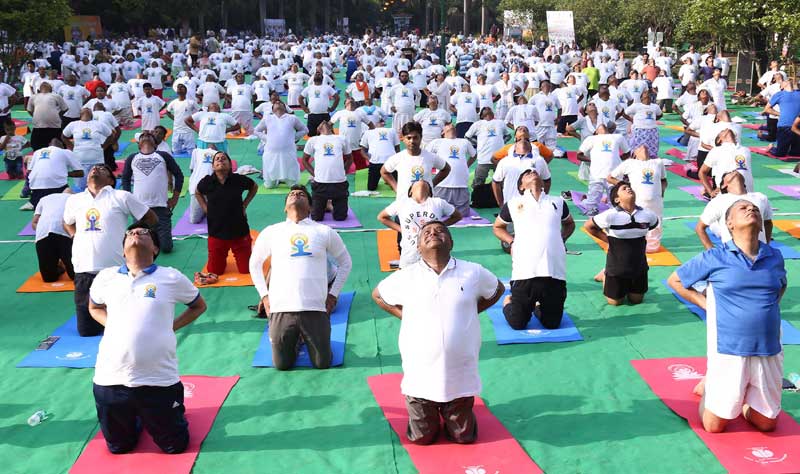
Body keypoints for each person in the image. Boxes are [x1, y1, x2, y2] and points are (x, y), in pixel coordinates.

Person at [371, 220, 504, 445]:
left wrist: (473, 309)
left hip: (459, 370)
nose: (433, 233)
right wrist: (404, 314)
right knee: (422, 439)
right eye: (427, 232)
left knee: (464, 438)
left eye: (440, 231)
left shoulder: (472, 271)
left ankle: (455, 414)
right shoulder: (407, 276)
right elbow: (377, 295)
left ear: (451, 242)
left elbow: (497, 289)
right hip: (420, 373)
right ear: (418, 246)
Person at [668, 199, 786, 433]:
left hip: (769, 347)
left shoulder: (774, 256)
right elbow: (676, 281)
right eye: (743, 208)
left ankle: (744, 402)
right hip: (730, 348)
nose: (751, 209)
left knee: (767, 425)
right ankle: (712, 386)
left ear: (761, 224)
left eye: (754, 209)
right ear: (729, 223)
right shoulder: (715, 256)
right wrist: (705, 304)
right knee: (714, 426)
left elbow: (780, 286)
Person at [88, 222, 207, 454]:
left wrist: (170, 326)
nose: (135, 234)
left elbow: (198, 306)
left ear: (154, 248)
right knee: (119, 447)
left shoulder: (170, 277)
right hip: (110, 381)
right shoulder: (106, 277)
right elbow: (94, 307)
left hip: (158, 380)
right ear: (122, 251)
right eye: (130, 233)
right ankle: (136, 415)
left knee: (175, 446)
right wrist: (112, 324)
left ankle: (157, 413)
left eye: (143, 233)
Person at [249, 185, 353, 370]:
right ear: (284, 208)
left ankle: (305, 336)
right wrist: (265, 296)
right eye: (291, 194)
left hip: (315, 308)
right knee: (282, 365)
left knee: (323, 363)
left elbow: (346, 262)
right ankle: (296, 337)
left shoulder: (323, 231)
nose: (296, 194)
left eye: (301, 194)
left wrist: (333, 294)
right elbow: (254, 263)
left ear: (310, 207)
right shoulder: (272, 231)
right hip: (281, 307)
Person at [63, 164, 157, 337]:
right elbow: (67, 222)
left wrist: (133, 236)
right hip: (84, 269)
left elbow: (150, 217)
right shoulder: (74, 200)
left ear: (111, 180)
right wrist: (74, 236)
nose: (96, 170)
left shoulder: (121, 196)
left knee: (128, 328)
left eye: (102, 169)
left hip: (115, 270)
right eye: (93, 168)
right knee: (87, 331)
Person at [493, 168, 575, 329]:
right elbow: (498, 227)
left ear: (543, 183)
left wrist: (561, 238)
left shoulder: (557, 202)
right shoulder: (514, 203)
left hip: (554, 271)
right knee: (518, 323)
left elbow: (569, 223)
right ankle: (508, 301)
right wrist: (512, 241)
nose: (532, 172)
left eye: (535, 172)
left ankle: (538, 306)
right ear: (521, 186)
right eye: (526, 174)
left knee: (552, 324)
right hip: (525, 272)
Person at [583, 182, 659, 305]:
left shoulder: (648, 214)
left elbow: (651, 226)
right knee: (615, 303)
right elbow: (588, 226)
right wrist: (607, 239)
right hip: (616, 268)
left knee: (636, 301)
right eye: (624, 189)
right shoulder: (610, 215)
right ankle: (605, 275)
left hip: (639, 266)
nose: (629, 189)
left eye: (630, 187)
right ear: (617, 199)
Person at [195, 151, 258, 276]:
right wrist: (205, 208)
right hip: (216, 233)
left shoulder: (238, 179)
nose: (220, 160)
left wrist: (244, 204)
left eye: (224, 159)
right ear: (213, 166)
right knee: (214, 272)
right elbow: (197, 192)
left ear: (230, 165)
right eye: (217, 159)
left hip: (239, 232)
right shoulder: (207, 182)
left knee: (246, 270)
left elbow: (254, 186)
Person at [121, 133, 184, 254]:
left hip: (160, 206)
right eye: (143, 136)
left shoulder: (163, 155)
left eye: (150, 136)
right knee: (138, 245)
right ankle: (151, 233)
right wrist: (128, 199)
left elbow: (179, 175)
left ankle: (156, 233)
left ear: (155, 145)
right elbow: (125, 179)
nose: (146, 136)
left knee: (166, 248)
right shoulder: (132, 157)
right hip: (140, 208)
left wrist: (175, 197)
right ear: (138, 145)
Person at [378, 180, 461, 268]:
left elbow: (457, 216)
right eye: (415, 183)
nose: (421, 181)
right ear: (410, 192)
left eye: (425, 182)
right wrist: (401, 229)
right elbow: (382, 217)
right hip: (410, 255)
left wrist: (440, 226)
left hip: (433, 254)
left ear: (430, 192)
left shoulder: (438, 202)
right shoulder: (402, 203)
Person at [607, 146, 668, 252]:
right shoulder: (630, 163)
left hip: (656, 200)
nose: (643, 147)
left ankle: (652, 245)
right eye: (638, 148)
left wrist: (662, 193)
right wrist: (625, 187)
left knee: (656, 222)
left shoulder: (658, 162)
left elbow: (663, 180)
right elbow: (610, 177)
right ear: (634, 154)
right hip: (638, 199)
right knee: (635, 222)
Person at [695, 171, 773, 249]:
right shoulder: (719, 201)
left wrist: (767, 245)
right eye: (728, 173)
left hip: (760, 251)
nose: (733, 172)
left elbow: (768, 223)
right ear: (724, 186)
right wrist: (712, 252)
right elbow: (700, 228)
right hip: (733, 253)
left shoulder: (761, 197)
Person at [381, 121, 451, 201]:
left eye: (415, 137)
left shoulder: (430, 157)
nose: (412, 141)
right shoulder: (397, 158)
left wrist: (432, 184)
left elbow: (446, 168)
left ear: (421, 137)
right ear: (403, 138)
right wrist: (396, 188)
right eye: (409, 138)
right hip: (404, 202)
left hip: (426, 202)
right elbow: (384, 172)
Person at [302, 120, 352, 221]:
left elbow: (349, 159)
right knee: (316, 218)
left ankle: (329, 205)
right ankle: (327, 204)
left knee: (340, 218)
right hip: (320, 184)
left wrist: (343, 173)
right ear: (318, 130)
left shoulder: (341, 138)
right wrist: (315, 174)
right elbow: (305, 160)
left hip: (339, 183)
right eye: (321, 122)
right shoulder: (313, 140)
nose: (324, 121)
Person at [576, 124, 630, 216]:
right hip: (597, 173)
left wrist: (619, 160)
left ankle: (615, 212)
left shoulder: (618, 137)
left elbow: (627, 152)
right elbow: (579, 155)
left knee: (614, 198)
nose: (601, 125)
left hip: (614, 174)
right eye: (598, 127)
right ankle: (592, 209)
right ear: (596, 132)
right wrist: (592, 160)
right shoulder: (591, 139)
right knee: (594, 196)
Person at [253, 101, 308, 188]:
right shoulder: (267, 118)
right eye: (276, 103)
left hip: (288, 150)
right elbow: (256, 131)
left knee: (293, 185)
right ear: (272, 109)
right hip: (271, 151)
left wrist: (293, 137)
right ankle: (274, 180)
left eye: (280, 102)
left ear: (285, 107)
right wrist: (266, 138)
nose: (278, 103)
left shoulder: (292, 118)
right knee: (269, 186)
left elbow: (304, 130)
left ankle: (287, 179)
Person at [426, 123, 476, 216]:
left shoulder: (464, 142)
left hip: (461, 184)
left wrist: (467, 165)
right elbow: (426, 156)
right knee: (438, 212)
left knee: (463, 215)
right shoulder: (437, 142)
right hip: (442, 184)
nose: (451, 126)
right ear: (442, 132)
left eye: (452, 125)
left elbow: (474, 155)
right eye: (448, 126)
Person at [61, 108, 114, 190]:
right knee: (81, 186)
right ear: (80, 115)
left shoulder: (98, 124)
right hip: (79, 160)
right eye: (84, 109)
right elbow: (64, 136)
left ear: (92, 115)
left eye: (88, 109)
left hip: (96, 159)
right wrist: (72, 148)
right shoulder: (73, 124)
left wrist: (103, 147)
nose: (86, 109)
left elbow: (110, 135)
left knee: (98, 185)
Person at [492, 137, 551, 209]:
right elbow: (496, 182)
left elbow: (547, 180)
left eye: (527, 139)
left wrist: (542, 198)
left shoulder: (539, 160)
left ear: (531, 146)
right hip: (510, 205)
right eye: (519, 140)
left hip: (532, 206)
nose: (523, 140)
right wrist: (500, 203)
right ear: (514, 146)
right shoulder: (505, 161)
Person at [27, 137, 84, 207]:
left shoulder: (37, 152)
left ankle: (33, 201)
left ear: (49, 145)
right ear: (62, 146)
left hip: (36, 189)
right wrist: (64, 173)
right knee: (75, 203)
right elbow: (81, 173)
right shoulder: (65, 152)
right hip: (57, 188)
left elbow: (29, 171)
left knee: (42, 207)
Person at [32, 189, 75, 282]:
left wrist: (41, 233)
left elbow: (34, 223)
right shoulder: (75, 198)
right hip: (65, 233)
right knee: (76, 276)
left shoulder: (44, 199)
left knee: (49, 278)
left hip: (43, 233)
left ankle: (58, 265)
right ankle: (63, 263)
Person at [699, 129, 754, 197]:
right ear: (719, 140)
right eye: (722, 131)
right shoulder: (716, 150)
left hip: (748, 192)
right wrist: (710, 192)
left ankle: (705, 193)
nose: (726, 129)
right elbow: (702, 172)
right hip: (727, 194)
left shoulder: (745, 149)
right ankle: (706, 194)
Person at [465, 107, 508, 188]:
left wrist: (501, 142)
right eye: (485, 109)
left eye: (489, 109)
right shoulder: (477, 124)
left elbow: (508, 135)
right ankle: (477, 199)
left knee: (501, 182)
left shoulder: (500, 122)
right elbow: (467, 137)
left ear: (493, 113)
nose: (487, 109)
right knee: (478, 183)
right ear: (481, 115)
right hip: (483, 159)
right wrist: (477, 143)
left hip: (499, 158)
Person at [360, 117, 400, 192]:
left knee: (395, 187)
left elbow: (362, 151)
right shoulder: (368, 132)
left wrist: (397, 162)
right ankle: (386, 177)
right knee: (371, 188)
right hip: (377, 163)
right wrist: (370, 160)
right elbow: (397, 148)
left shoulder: (391, 130)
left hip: (389, 163)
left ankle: (387, 178)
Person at [27, 82, 69, 151]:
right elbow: (29, 110)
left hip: (53, 127)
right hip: (40, 127)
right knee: (38, 147)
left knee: (56, 148)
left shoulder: (55, 96)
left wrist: (57, 115)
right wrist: (36, 116)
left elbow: (65, 108)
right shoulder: (34, 97)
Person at [764, 79, 800, 157]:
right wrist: (780, 114)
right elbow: (767, 109)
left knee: (796, 154)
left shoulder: (798, 93)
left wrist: (795, 85)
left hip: (797, 128)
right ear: (782, 86)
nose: (787, 80)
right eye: (785, 81)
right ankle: (771, 148)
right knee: (780, 154)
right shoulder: (779, 94)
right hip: (784, 127)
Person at [299, 73, 339, 138]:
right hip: (312, 115)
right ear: (313, 78)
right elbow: (300, 98)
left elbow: (337, 97)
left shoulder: (327, 87)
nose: (318, 75)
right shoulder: (309, 88)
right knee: (312, 135)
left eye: (319, 74)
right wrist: (304, 108)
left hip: (324, 115)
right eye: (316, 74)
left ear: (322, 78)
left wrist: (332, 108)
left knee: (327, 134)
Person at [624, 89, 662, 158]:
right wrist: (631, 120)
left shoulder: (655, 106)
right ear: (641, 98)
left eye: (648, 94)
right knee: (638, 148)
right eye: (645, 93)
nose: (647, 94)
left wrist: (653, 120)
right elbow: (625, 113)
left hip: (652, 130)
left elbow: (660, 114)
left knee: (652, 147)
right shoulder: (636, 105)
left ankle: (651, 159)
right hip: (639, 130)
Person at [165, 84, 199, 155]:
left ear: (186, 91)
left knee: (191, 152)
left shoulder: (191, 102)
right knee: (176, 152)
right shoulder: (173, 103)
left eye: (182, 88)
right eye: (178, 88)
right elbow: (167, 112)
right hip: (176, 130)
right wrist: (175, 119)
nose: (180, 89)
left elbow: (200, 111)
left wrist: (193, 120)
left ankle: (192, 147)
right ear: (176, 91)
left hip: (188, 131)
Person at [187, 145, 217, 224]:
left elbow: (191, 170)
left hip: (208, 190)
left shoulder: (196, 151)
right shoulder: (197, 151)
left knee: (194, 220)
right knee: (194, 220)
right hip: (200, 189)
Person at [390, 70, 420, 137]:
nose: (404, 77)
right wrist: (392, 106)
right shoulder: (395, 87)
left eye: (406, 76)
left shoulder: (412, 86)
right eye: (402, 76)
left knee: (409, 130)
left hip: (409, 111)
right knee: (396, 131)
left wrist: (416, 104)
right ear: (399, 77)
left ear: (408, 77)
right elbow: (388, 96)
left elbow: (419, 95)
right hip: (398, 111)